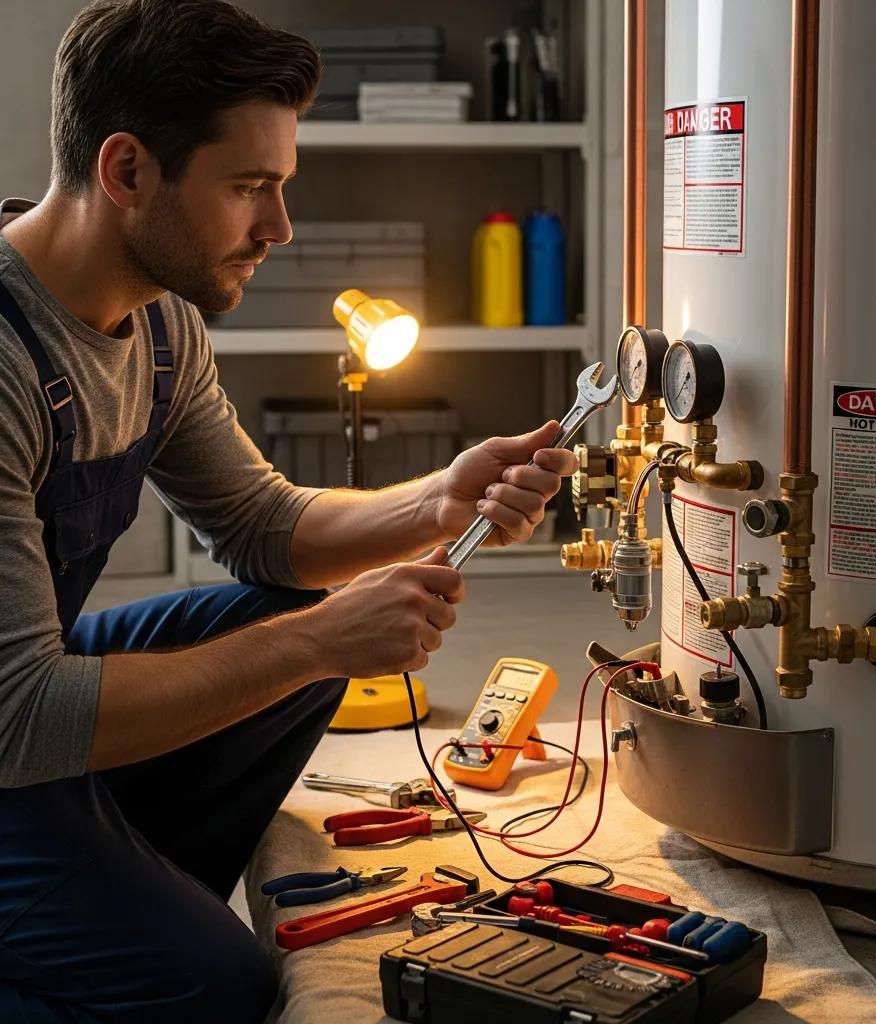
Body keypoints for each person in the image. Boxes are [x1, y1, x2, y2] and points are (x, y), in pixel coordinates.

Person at [0, 2, 577, 1020]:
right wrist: (321, 641)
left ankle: (108, 891)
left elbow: (264, 525)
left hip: (30, 711)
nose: (279, 227)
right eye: (249, 188)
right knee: (207, 981)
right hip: (11, 727)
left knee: (282, 620)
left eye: (282, 187)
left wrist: (437, 499)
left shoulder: (157, 321)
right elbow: (22, 717)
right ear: (126, 171)